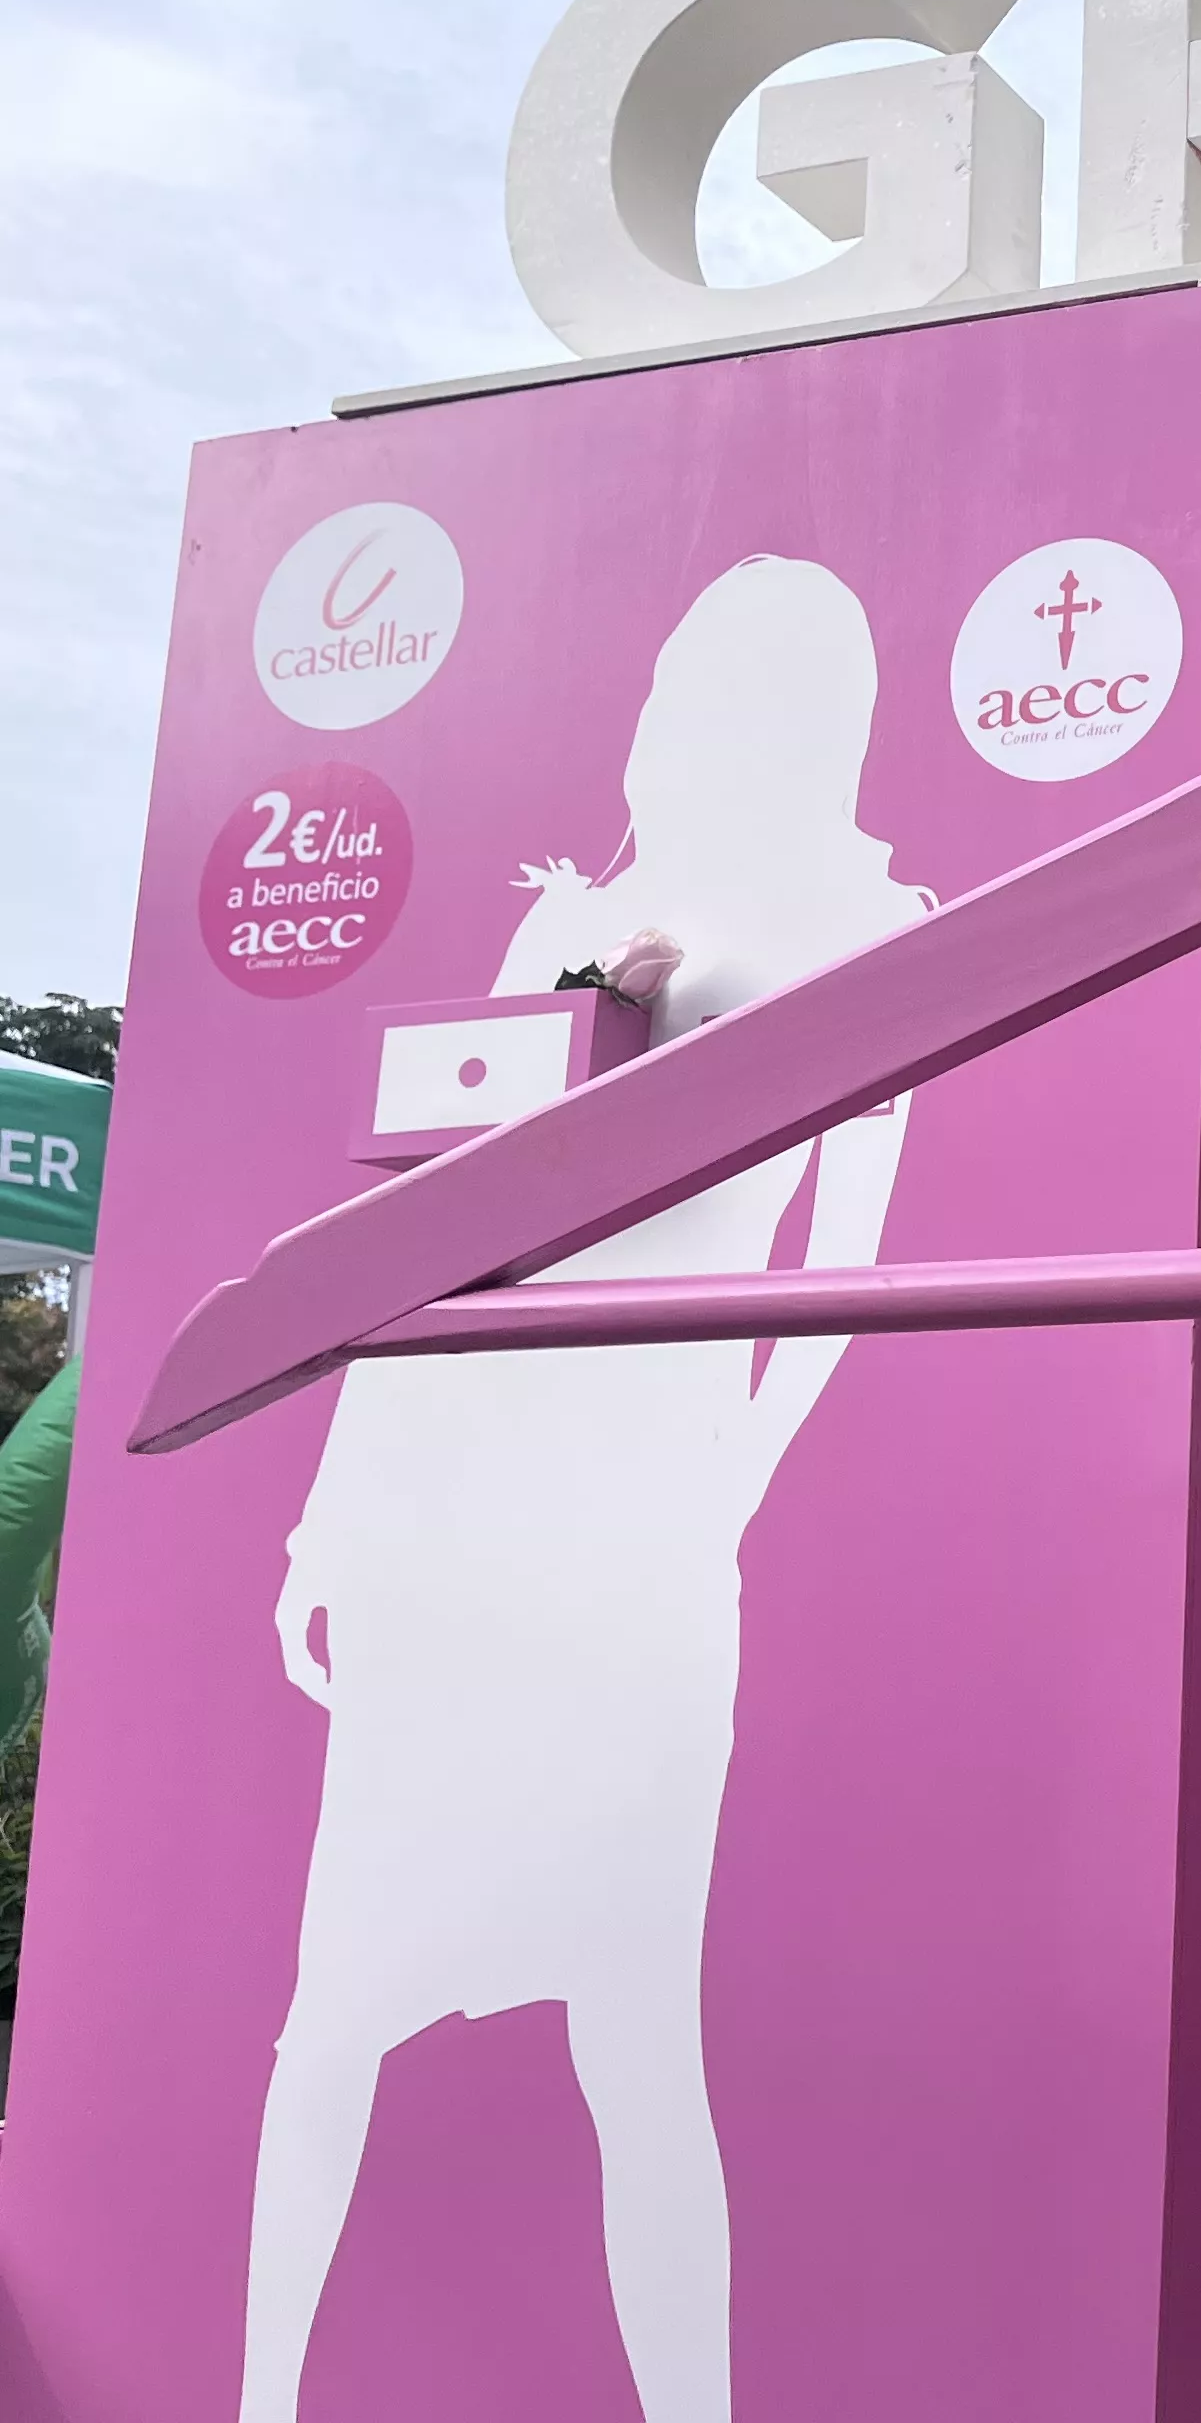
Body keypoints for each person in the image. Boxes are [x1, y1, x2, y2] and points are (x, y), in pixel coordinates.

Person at [243, 559, 928, 2423]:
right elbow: (436, 1238)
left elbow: (844, 1284)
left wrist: (720, 1493)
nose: (670, 728)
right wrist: (329, 1515)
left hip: (640, 1546)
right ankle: (259, 2402)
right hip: (454, 1527)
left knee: (635, 2036)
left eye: (714, 694)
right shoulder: (582, 916)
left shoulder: (869, 934)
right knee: (337, 2013)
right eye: (671, 691)